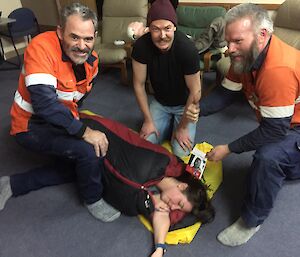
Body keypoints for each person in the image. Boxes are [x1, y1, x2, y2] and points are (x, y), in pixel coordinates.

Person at [0, 113, 215, 257]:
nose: (173, 208)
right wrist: (148, 201)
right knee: (81, 165)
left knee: (73, 172)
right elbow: (125, 190)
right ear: (182, 187)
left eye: (178, 210)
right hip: (88, 137)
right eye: (179, 204)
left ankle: (11, 184)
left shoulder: (164, 188)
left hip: (95, 161)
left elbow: (162, 215)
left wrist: (160, 248)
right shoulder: (157, 163)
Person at [187, 3, 300, 246]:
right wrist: (197, 110)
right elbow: (226, 94)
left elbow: (274, 130)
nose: (230, 48)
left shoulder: (278, 69)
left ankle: (251, 220)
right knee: (274, 157)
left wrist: (229, 148)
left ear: (262, 35)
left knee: (268, 158)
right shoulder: (247, 57)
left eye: (237, 41)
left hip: (293, 126)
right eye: (228, 41)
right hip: (282, 120)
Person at [6, 2, 121, 222]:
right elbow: (45, 105)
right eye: (74, 37)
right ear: (60, 32)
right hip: (30, 125)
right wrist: (83, 132)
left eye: (88, 39)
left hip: (59, 119)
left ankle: (13, 184)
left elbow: (77, 98)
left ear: (95, 36)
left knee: (86, 160)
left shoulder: (92, 61)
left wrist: (76, 124)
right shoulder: (41, 48)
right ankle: (92, 198)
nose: (81, 46)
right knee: (89, 152)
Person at [131, 0, 201, 158]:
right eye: (156, 29)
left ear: (174, 27)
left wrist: (183, 127)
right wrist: (148, 120)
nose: (162, 35)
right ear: (149, 29)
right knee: (145, 144)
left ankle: (176, 125)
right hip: (160, 103)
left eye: (167, 28)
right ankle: (166, 124)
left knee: (180, 152)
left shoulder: (187, 49)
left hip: (185, 105)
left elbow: (195, 91)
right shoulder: (141, 46)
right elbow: (138, 84)